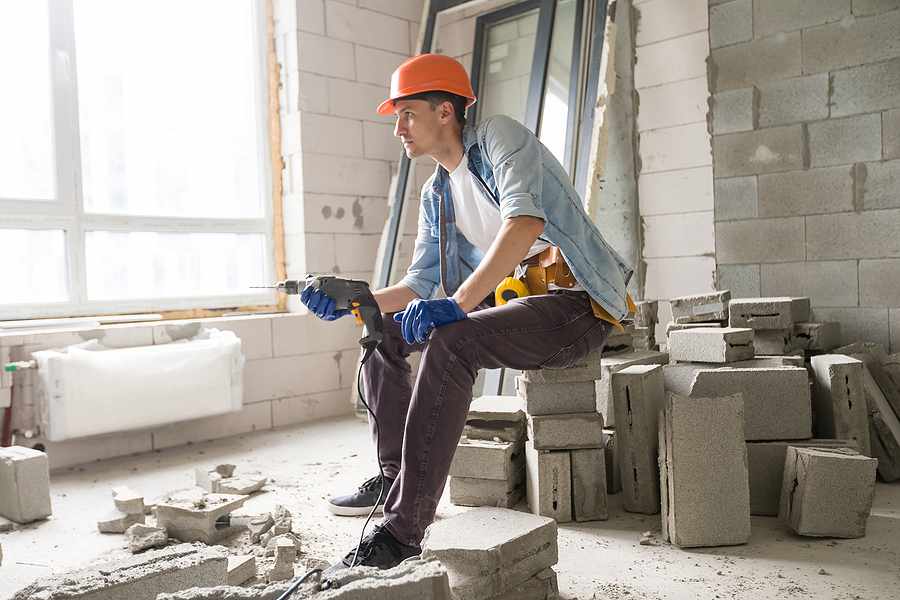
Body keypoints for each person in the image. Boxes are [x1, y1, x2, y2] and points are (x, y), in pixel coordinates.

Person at [302, 53, 633, 573]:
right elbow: (417, 284)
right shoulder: (437, 190)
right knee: (382, 332)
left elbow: (524, 222)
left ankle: (404, 529)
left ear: (444, 112)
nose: (399, 129)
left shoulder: (500, 137)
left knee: (453, 340)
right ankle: (394, 477)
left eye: (406, 114)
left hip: (575, 305)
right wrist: (356, 300)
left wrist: (455, 307)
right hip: (516, 300)